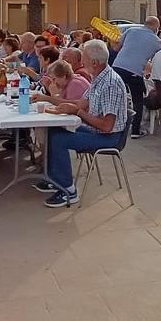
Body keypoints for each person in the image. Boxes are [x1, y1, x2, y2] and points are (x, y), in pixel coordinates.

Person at [36, 39, 130, 208]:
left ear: (94, 62)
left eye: (84, 57)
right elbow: (82, 103)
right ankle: (56, 179)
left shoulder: (109, 84)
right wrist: (60, 105)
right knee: (53, 130)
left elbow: (107, 126)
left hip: (109, 137)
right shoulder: (98, 78)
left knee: (59, 140)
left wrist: (77, 112)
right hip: (96, 130)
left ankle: (68, 191)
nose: (81, 61)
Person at [112, 17, 161, 139]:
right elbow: (157, 60)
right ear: (156, 28)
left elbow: (116, 48)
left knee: (115, 96)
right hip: (134, 71)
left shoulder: (130, 31)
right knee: (138, 100)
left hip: (117, 67)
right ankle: (135, 130)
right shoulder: (158, 42)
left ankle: (113, 125)